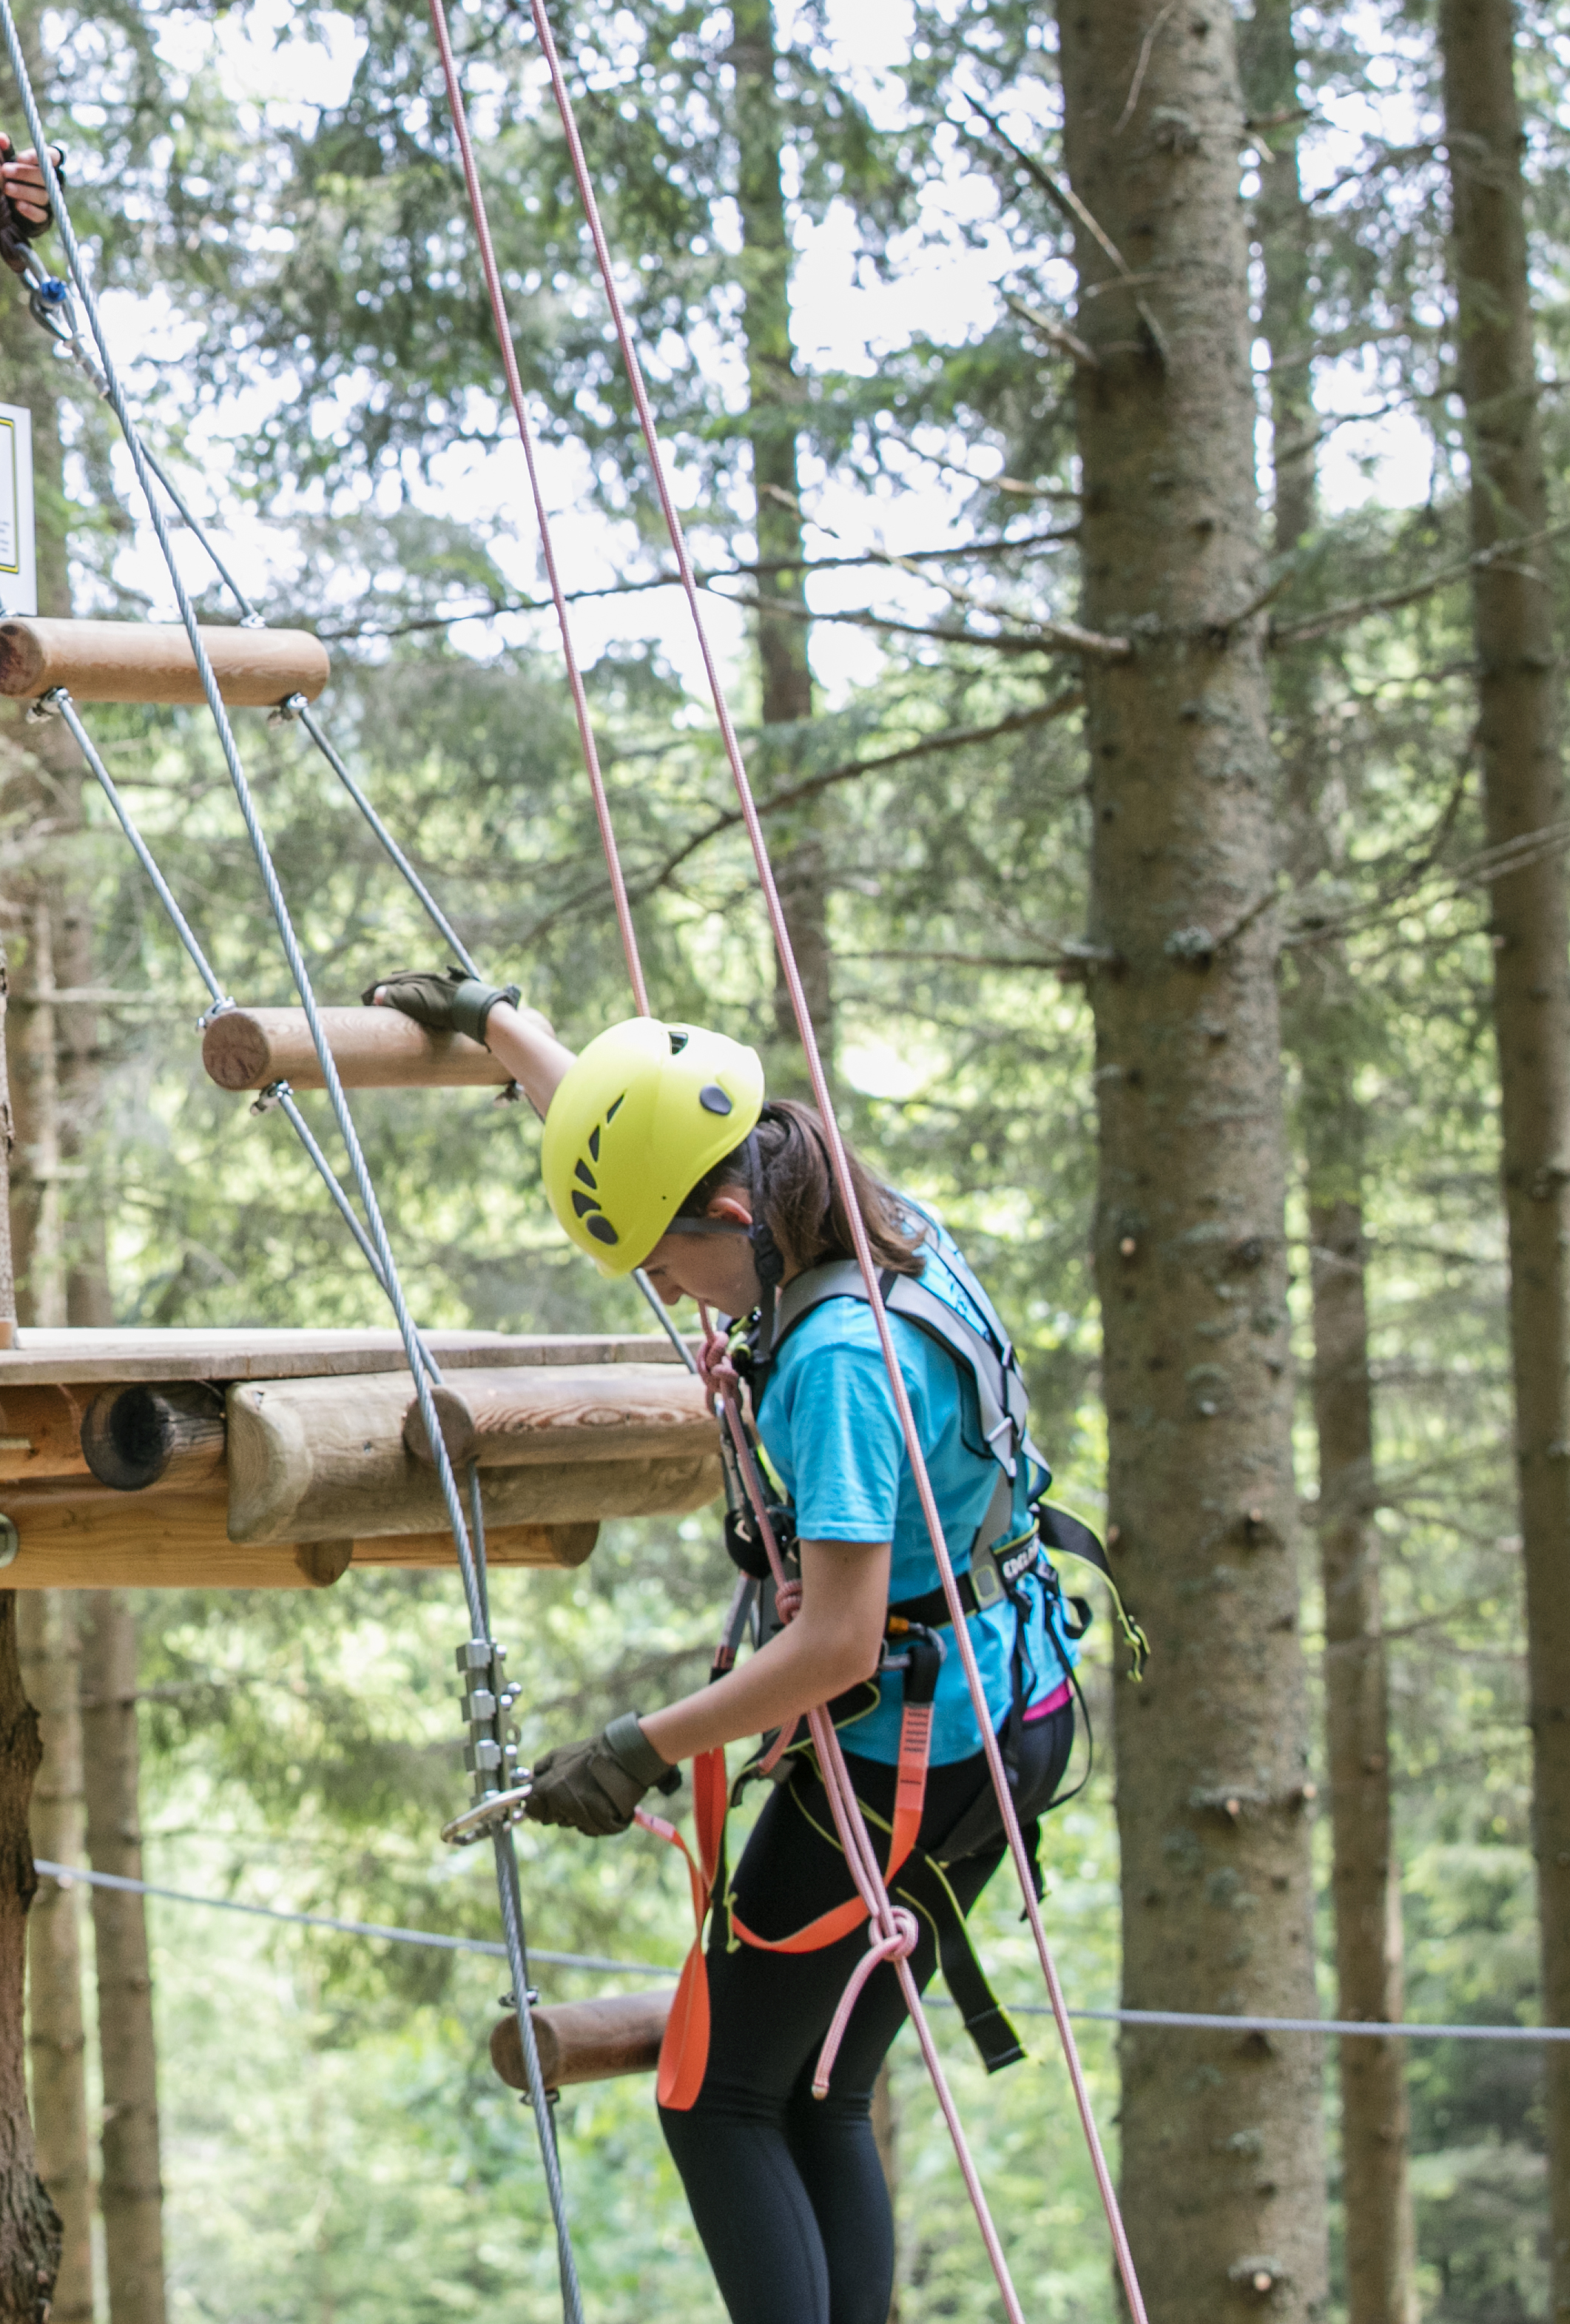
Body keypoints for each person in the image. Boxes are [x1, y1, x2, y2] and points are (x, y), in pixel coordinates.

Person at [390, 979, 1087, 2324]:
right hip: (1012, 1710)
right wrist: (506, 1026)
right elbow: (646, 1130)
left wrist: (635, 1751)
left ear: (727, 1218)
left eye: (664, 1265)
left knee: (715, 2099)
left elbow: (832, 1645)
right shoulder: (864, 1217)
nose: (667, 1295)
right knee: (817, 2090)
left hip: (903, 1755)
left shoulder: (833, 1361)